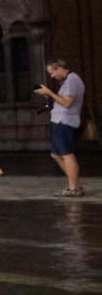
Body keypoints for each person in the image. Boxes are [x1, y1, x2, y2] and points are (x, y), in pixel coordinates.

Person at [37, 58, 86, 196]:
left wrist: (50, 93)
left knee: (67, 153)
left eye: (52, 72)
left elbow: (67, 103)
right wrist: (49, 95)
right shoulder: (66, 81)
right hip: (58, 120)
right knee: (56, 154)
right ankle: (74, 184)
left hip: (65, 121)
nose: (52, 76)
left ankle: (73, 188)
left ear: (59, 68)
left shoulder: (72, 79)